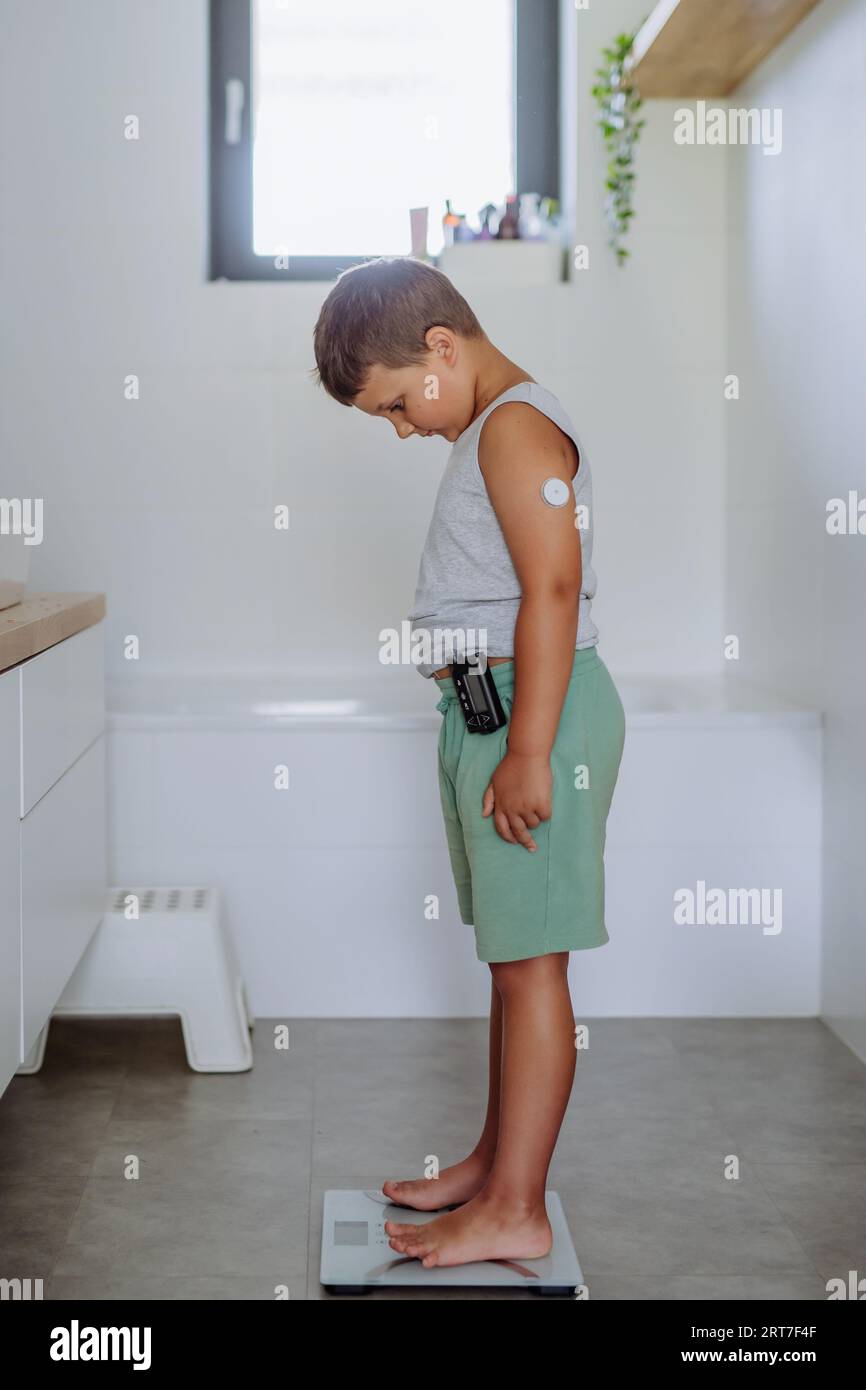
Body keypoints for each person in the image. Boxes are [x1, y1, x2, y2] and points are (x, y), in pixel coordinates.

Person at [312, 256, 626, 1270]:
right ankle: (496, 1167)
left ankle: (517, 1207)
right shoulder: (489, 428)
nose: (402, 429)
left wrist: (528, 749)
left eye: (398, 405)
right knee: (511, 961)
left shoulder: (515, 427)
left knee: (532, 969)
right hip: (491, 713)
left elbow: (553, 587)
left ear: (440, 348)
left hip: (535, 719)